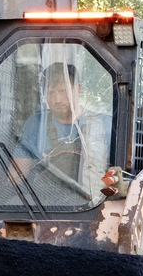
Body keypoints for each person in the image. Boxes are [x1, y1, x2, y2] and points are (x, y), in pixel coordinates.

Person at [12, 62, 110, 200]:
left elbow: (119, 174)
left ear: (78, 89)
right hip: (42, 205)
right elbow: (16, 175)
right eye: (50, 92)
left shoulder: (102, 124)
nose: (57, 99)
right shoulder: (36, 124)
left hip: (90, 207)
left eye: (63, 91)